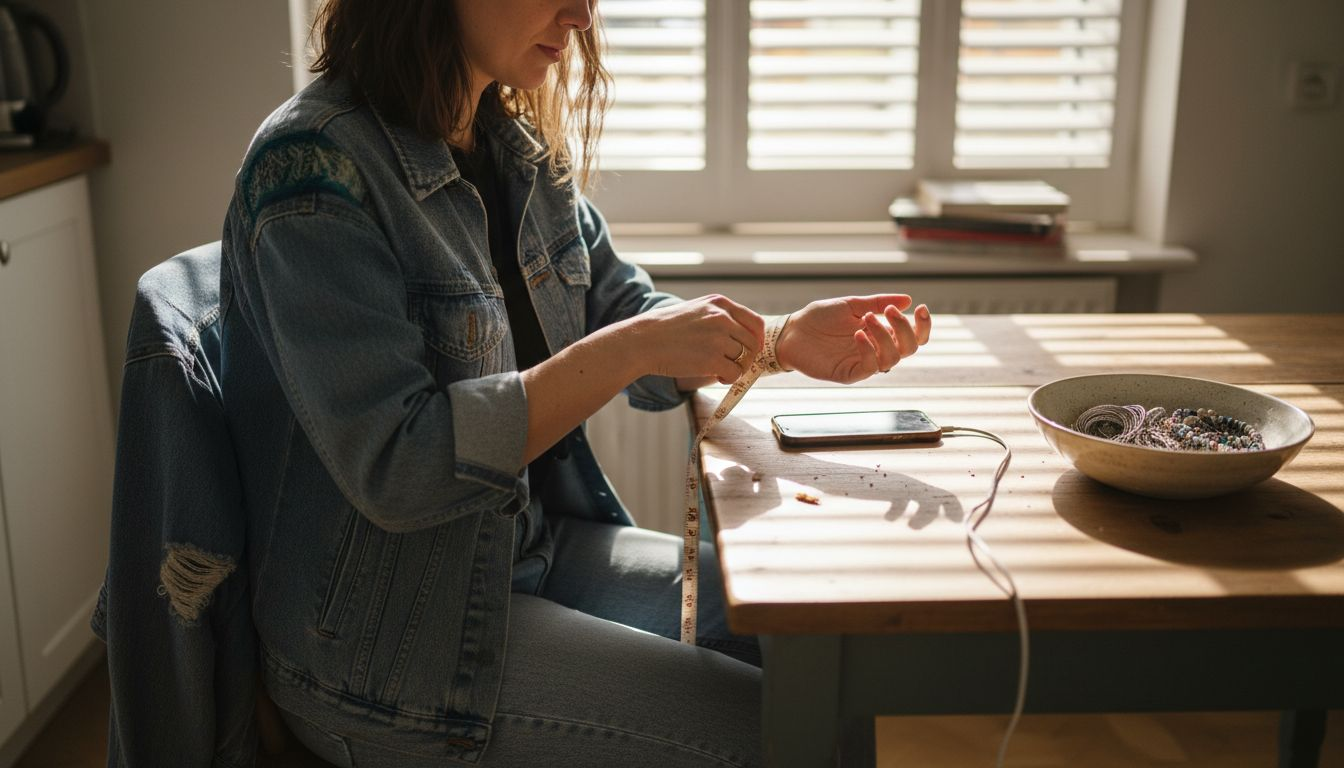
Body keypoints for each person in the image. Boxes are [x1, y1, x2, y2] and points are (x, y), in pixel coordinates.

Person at [219, 0, 933, 765]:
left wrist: (781, 341)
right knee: (787, 728)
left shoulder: (509, 143)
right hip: (390, 639)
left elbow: (632, 315)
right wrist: (630, 349)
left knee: (825, 662)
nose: (583, 14)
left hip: (527, 552)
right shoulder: (310, 173)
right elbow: (400, 467)